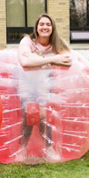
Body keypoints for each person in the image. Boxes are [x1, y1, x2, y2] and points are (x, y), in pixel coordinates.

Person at [17, 13, 72, 161]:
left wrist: (37, 59)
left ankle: (48, 148)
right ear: (36, 27)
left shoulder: (58, 44)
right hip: (27, 81)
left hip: (46, 83)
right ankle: (22, 149)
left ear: (52, 28)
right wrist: (53, 59)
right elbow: (26, 62)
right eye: (41, 24)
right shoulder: (27, 41)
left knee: (43, 114)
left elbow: (69, 60)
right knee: (29, 113)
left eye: (48, 24)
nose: (44, 27)